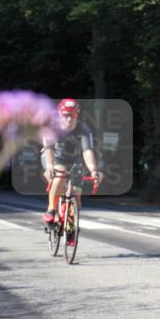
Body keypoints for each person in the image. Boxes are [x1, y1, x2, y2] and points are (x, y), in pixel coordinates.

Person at [42, 99, 102, 240]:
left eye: (73, 115)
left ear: (77, 114)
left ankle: (70, 228)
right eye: (65, 115)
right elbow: (49, 149)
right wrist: (50, 167)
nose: (69, 118)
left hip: (74, 161)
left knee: (76, 196)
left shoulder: (83, 129)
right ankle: (51, 210)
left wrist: (93, 170)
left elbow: (87, 151)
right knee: (59, 176)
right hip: (54, 158)